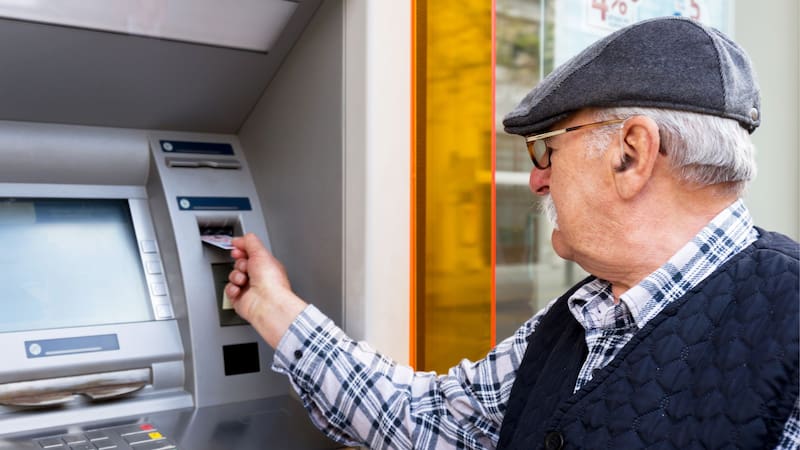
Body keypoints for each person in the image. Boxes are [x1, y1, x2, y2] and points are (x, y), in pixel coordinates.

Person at [226, 16, 799, 449]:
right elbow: (425, 420)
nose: (536, 179)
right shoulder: (582, 316)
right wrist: (272, 306)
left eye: (548, 148)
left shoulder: (789, 327)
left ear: (632, 153)